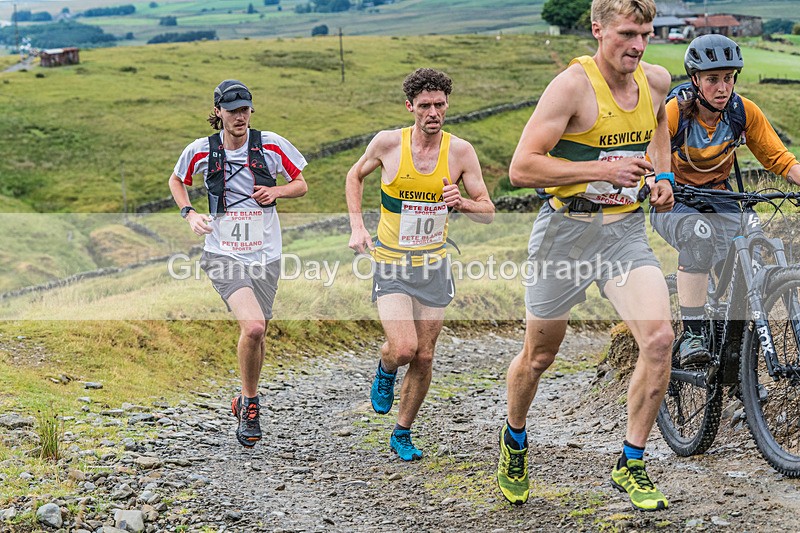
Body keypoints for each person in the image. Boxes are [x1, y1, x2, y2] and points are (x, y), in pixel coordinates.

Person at [497, 0, 676, 512]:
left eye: (646, 33)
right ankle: (514, 438)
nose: (637, 46)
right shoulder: (572, 87)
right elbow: (521, 168)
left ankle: (632, 461)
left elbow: (659, 126)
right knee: (540, 356)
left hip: (622, 233)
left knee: (660, 339)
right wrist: (599, 169)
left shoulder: (655, 80)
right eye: (626, 34)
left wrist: (662, 176)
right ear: (597, 30)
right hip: (565, 233)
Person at [346, 68, 495, 461]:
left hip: (434, 266)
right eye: (425, 105)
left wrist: (461, 203)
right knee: (405, 348)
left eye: (440, 104)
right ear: (410, 106)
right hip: (392, 263)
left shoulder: (460, 152)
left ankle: (402, 432)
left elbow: (488, 212)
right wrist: (358, 226)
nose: (433, 112)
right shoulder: (387, 144)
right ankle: (385, 365)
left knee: (426, 355)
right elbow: (354, 175)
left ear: (447, 105)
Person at [168, 79, 308, 448]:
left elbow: (301, 183)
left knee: (258, 333)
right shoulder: (201, 150)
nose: (240, 116)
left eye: (245, 109)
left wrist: (276, 190)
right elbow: (177, 180)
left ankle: (246, 396)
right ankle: (251, 404)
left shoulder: (272, 145)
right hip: (222, 252)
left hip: (267, 253)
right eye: (232, 110)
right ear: (218, 112)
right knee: (255, 326)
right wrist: (189, 213)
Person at [652, 34, 800, 367]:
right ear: (695, 80)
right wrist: (656, 182)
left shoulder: (742, 111)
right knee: (699, 236)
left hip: (721, 197)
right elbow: (651, 153)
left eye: (729, 78)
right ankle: (692, 334)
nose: (722, 87)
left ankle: (735, 372)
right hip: (676, 200)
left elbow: (780, 159)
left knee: (746, 260)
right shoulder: (675, 111)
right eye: (713, 79)